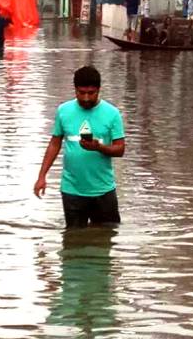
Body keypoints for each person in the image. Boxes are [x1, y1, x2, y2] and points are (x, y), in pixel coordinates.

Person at [34, 66, 126, 228]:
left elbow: (120, 149)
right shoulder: (64, 111)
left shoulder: (112, 113)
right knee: (73, 239)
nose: (85, 98)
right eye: (81, 93)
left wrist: (99, 147)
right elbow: (55, 143)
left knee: (106, 237)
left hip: (103, 190)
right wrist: (42, 176)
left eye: (91, 93)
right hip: (72, 190)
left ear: (98, 90)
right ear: (75, 90)